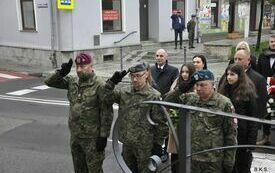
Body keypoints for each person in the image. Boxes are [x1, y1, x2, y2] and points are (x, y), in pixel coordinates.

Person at [44, 53, 113, 173]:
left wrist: (103, 136)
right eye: (77, 67)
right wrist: (61, 73)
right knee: (79, 169)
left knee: (94, 170)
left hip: (92, 139)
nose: (79, 70)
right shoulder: (73, 81)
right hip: (75, 136)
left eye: (83, 66)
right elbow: (48, 82)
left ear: (91, 66)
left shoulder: (99, 85)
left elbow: (106, 111)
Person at [165, 69, 237, 173]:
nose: (198, 88)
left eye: (203, 85)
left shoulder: (224, 104)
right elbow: (167, 101)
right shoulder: (190, 99)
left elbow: (231, 135)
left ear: (213, 84)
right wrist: (183, 87)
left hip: (212, 160)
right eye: (196, 85)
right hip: (191, 158)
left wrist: (228, 162)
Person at [103, 63, 169, 173]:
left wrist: (157, 146)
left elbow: (161, 124)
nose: (134, 79)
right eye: (132, 76)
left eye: (138, 76)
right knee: (128, 170)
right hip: (127, 144)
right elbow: (106, 98)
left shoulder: (153, 96)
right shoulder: (124, 92)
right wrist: (111, 83)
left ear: (146, 75)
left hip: (145, 147)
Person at [218, 64, 258, 173]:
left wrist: (251, 143)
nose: (229, 77)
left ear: (239, 75)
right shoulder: (224, 89)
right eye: (227, 74)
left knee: (242, 166)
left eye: (232, 74)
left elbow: (253, 118)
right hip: (226, 133)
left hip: (242, 135)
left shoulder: (248, 92)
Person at [166, 63, 196, 173]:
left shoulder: (197, 86)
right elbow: (167, 100)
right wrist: (180, 89)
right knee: (176, 158)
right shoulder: (177, 85)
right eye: (182, 72)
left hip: (192, 128)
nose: (184, 74)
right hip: (177, 126)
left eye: (187, 72)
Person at [150, 49, 179, 162]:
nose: (159, 58)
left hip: (167, 103)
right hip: (155, 104)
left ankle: (166, 152)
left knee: (167, 129)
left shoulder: (173, 70)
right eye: (157, 55)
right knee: (155, 128)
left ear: (166, 57)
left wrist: (167, 99)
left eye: (161, 56)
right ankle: (155, 151)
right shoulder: (151, 70)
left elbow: (174, 86)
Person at [256, 35, 275, 145]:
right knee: (266, 113)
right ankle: (266, 136)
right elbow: (258, 72)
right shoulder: (263, 55)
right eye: (272, 41)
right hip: (265, 89)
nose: (273, 43)